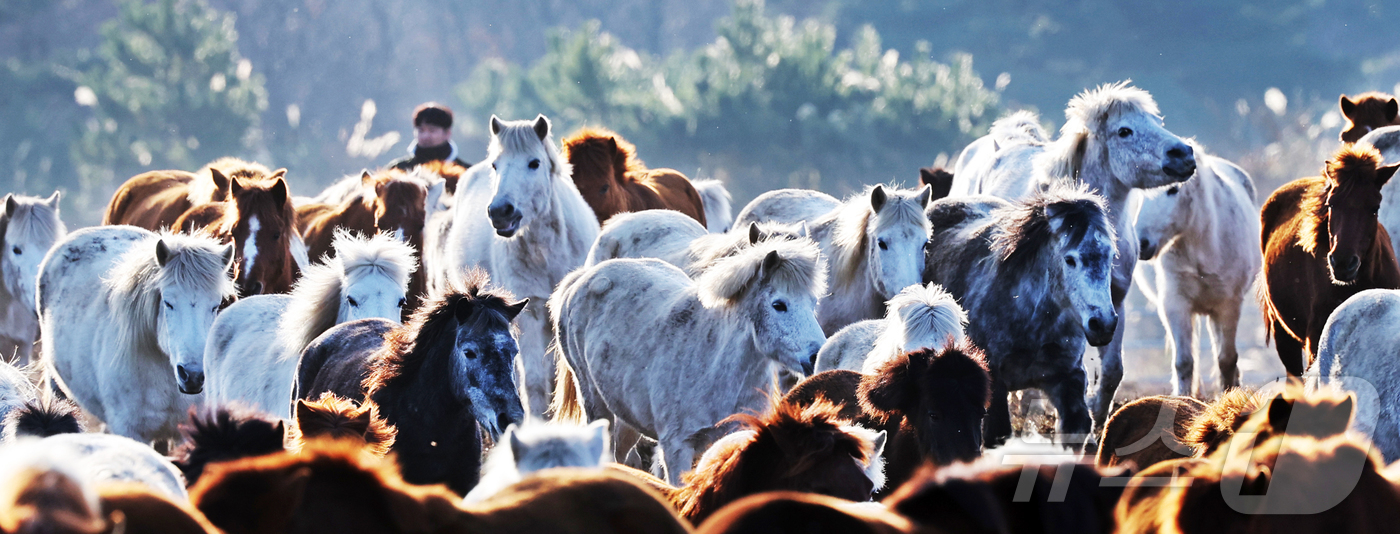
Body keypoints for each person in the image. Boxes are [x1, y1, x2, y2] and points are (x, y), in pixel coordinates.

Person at [388, 102, 472, 171]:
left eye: (432, 130)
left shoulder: (466, 171)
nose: (425, 136)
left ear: (447, 133)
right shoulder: (398, 169)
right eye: (421, 130)